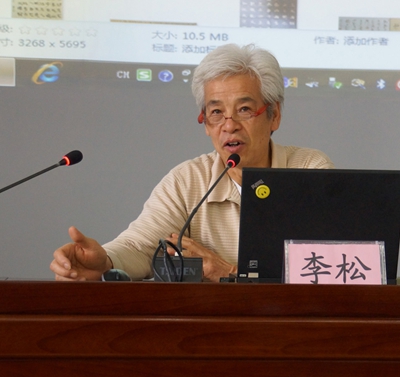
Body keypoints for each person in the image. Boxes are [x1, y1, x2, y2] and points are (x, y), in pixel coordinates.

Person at [50, 44, 334, 282]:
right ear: (206, 124)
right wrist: (105, 261)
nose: (229, 125)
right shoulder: (187, 181)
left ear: (274, 116)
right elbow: (141, 245)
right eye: (216, 112)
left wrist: (228, 273)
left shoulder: (310, 170)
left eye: (244, 109)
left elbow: (330, 270)